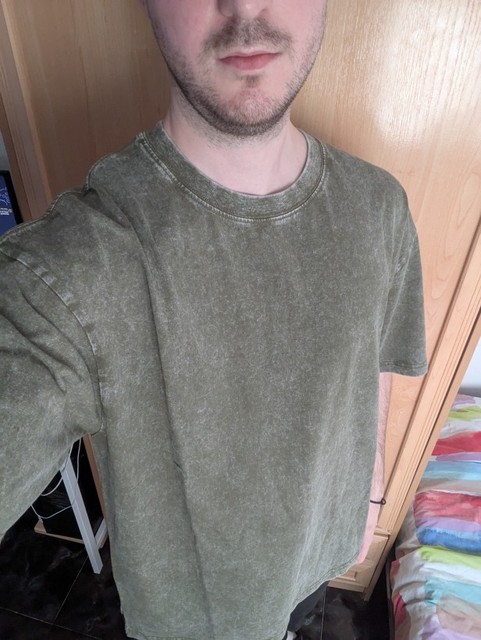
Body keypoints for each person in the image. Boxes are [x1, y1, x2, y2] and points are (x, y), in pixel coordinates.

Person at [0, 1, 427, 639]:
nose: (245, 5)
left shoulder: (380, 207)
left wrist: (369, 496)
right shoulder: (70, 270)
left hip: (323, 561)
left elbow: (377, 356)